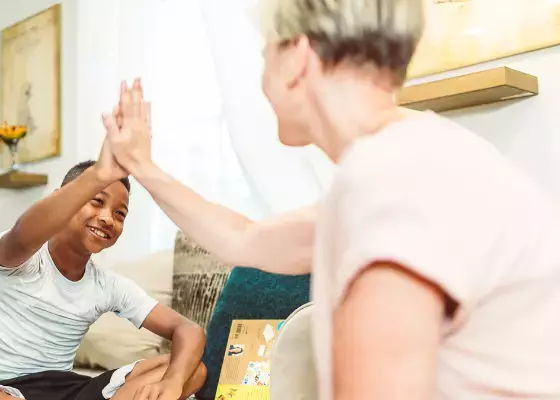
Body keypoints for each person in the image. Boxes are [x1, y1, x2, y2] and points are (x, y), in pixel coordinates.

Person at [101, 0, 560, 398]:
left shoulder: (396, 182)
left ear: (297, 56)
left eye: (265, 54)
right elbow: (246, 239)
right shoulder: (407, 158)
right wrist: (142, 166)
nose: (261, 79)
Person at [0, 147, 207, 400]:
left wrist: (173, 381)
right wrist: (97, 174)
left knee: (194, 370)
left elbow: (188, 329)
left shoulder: (108, 285)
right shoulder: (21, 258)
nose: (107, 218)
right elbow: (23, 235)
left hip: (69, 391)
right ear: (63, 199)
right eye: (97, 201)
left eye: (119, 213)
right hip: (0, 390)